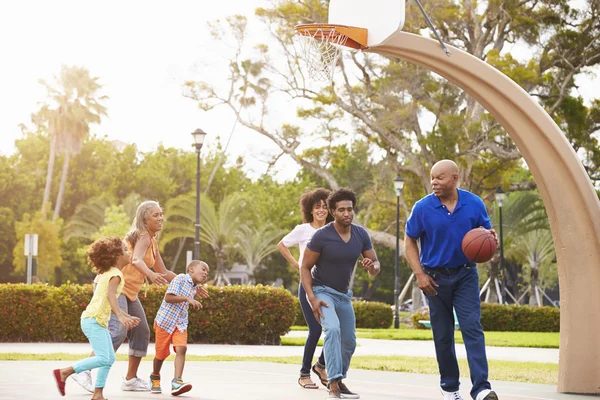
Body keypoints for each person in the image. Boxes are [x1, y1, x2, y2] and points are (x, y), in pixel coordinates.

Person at [71, 200, 209, 392]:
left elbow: (164, 270)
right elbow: (135, 259)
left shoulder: (152, 240)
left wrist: (190, 283)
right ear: (144, 218)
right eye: (155, 215)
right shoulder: (143, 236)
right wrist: (150, 275)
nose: (160, 218)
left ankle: (130, 379)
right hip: (114, 286)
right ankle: (83, 370)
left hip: (129, 292)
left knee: (142, 331)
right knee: (118, 330)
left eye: (161, 214)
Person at [404, 160, 499, 400]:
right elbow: (409, 241)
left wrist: (491, 239)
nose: (434, 182)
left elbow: (486, 235)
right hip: (433, 278)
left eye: (440, 178)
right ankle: (450, 388)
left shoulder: (474, 203)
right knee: (443, 334)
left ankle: (481, 388)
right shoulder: (422, 208)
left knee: (471, 327)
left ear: (455, 179)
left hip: (465, 274)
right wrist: (419, 274)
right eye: (432, 177)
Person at [301, 188, 380, 399]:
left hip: (343, 294)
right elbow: (305, 267)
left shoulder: (360, 234)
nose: (347, 213)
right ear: (333, 212)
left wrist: (371, 266)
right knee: (333, 330)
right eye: (342, 210)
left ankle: (336, 376)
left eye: (350, 209)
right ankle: (334, 382)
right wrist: (312, 298)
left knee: (349, 341)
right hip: (321, 290)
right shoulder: (322, 236)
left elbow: (376, 264)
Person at [53, 237, 141, 399]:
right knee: (103, 358)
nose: (129, 253)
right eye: (126, 250)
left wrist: (126, 315)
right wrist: (121, 316)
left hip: (95, 320)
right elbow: (110, 297)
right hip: (93, 320)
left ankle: (98, 393)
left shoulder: (109, 273)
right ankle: (65, 372)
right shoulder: (116, 275)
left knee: (109, 358)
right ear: (117, 255)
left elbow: (105, 301)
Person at [278, 188, 333, 389]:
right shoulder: (303, 229)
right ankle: (304, 373)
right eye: (317, 207)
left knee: (336, 329)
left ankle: (321, 365)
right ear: (310, 210)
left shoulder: (332, 230)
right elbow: (282, 245)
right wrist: (297, 264)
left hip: (328, 286)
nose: (321, 210)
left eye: (324, 207)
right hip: (308, 284)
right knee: (316, 329)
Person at [150, 260, 210, 396]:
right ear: (191, 269)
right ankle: (155, 377)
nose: (206, 273)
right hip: (165, 322)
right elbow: (168, 297)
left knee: (181, 348)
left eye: (207, 272)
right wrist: (188, 299)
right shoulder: (180, 278)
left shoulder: (194, 286)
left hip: (180, 323)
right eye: (203, 269)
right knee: (160, 355)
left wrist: (196, 290)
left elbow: (192, 288)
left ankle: (177, 381)